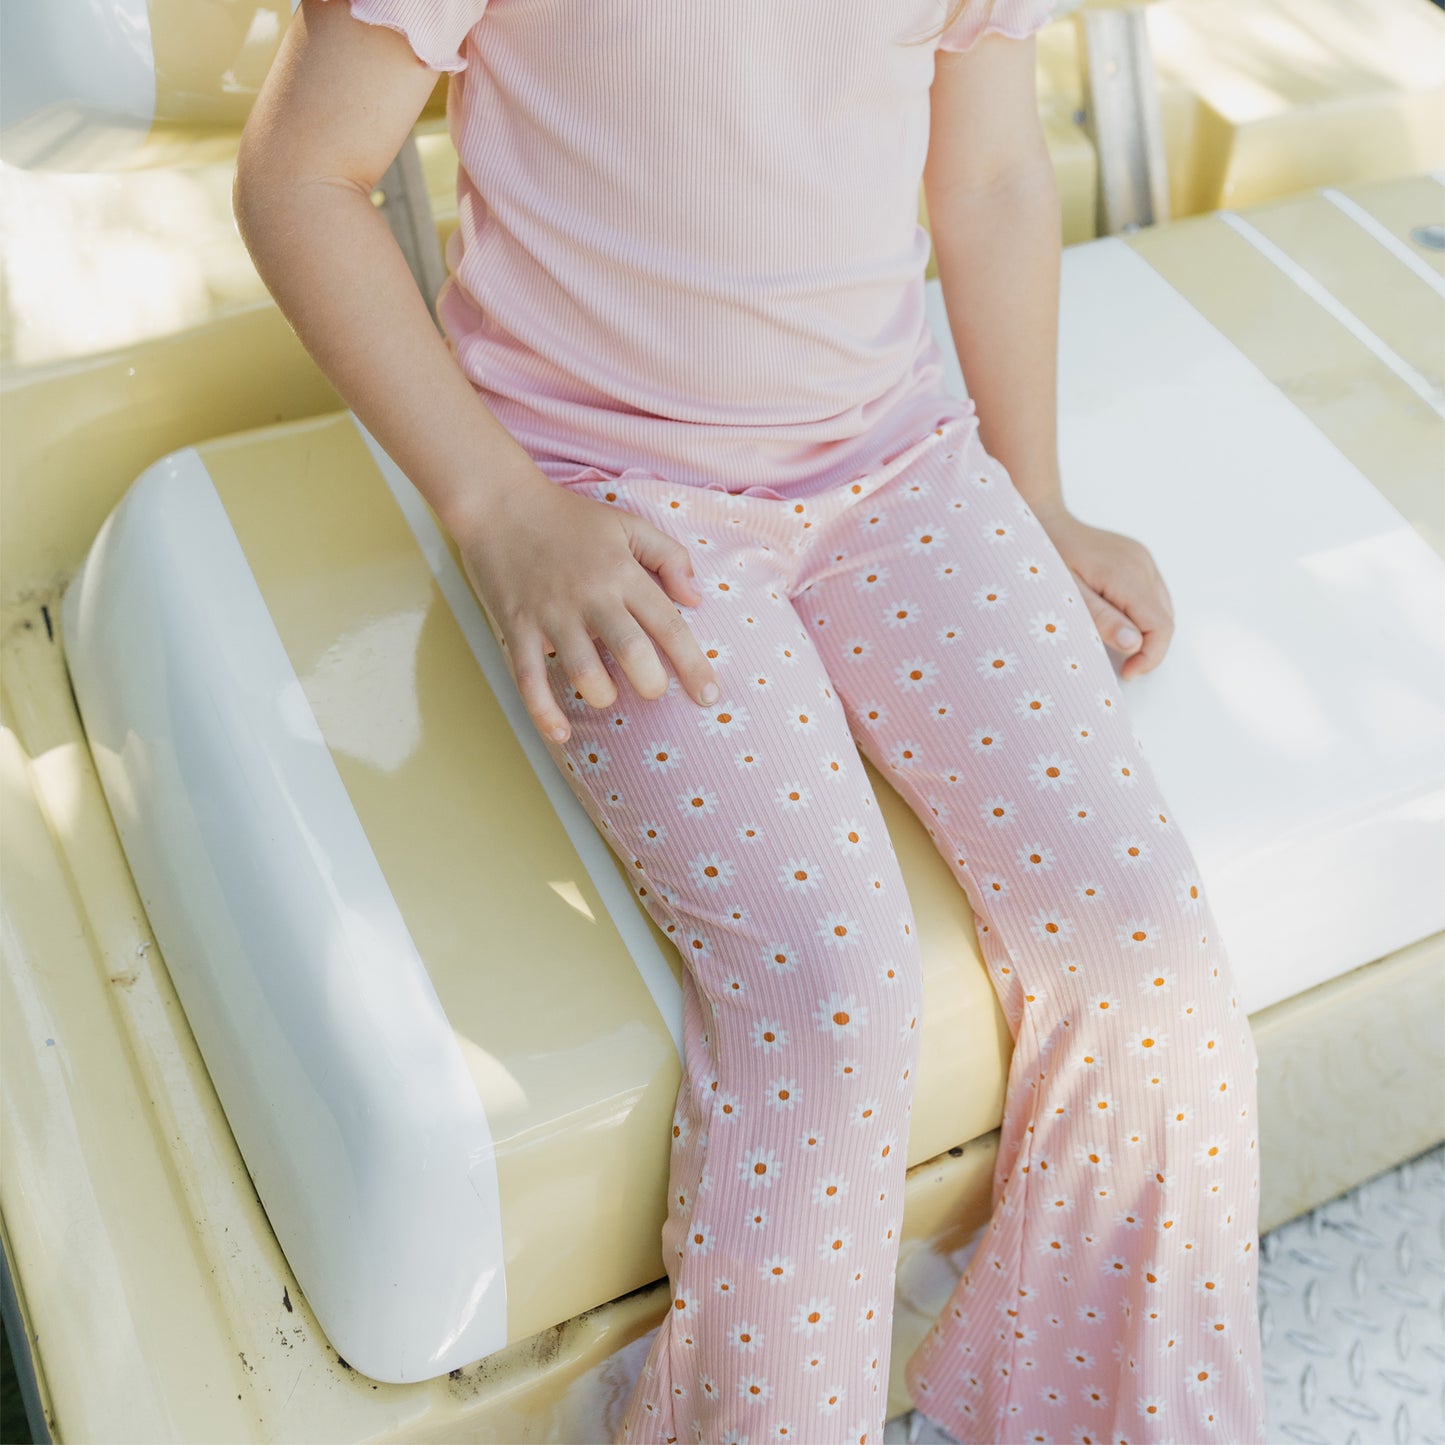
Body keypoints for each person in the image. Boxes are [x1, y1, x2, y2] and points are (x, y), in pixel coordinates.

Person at [233, 2, 1268, 1441]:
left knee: (1145, 945)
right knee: (831, 992)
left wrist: (1031, 495)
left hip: (899, 465)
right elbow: (298, 178)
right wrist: (499, 510)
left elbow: (987, 177)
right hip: (608, 507)